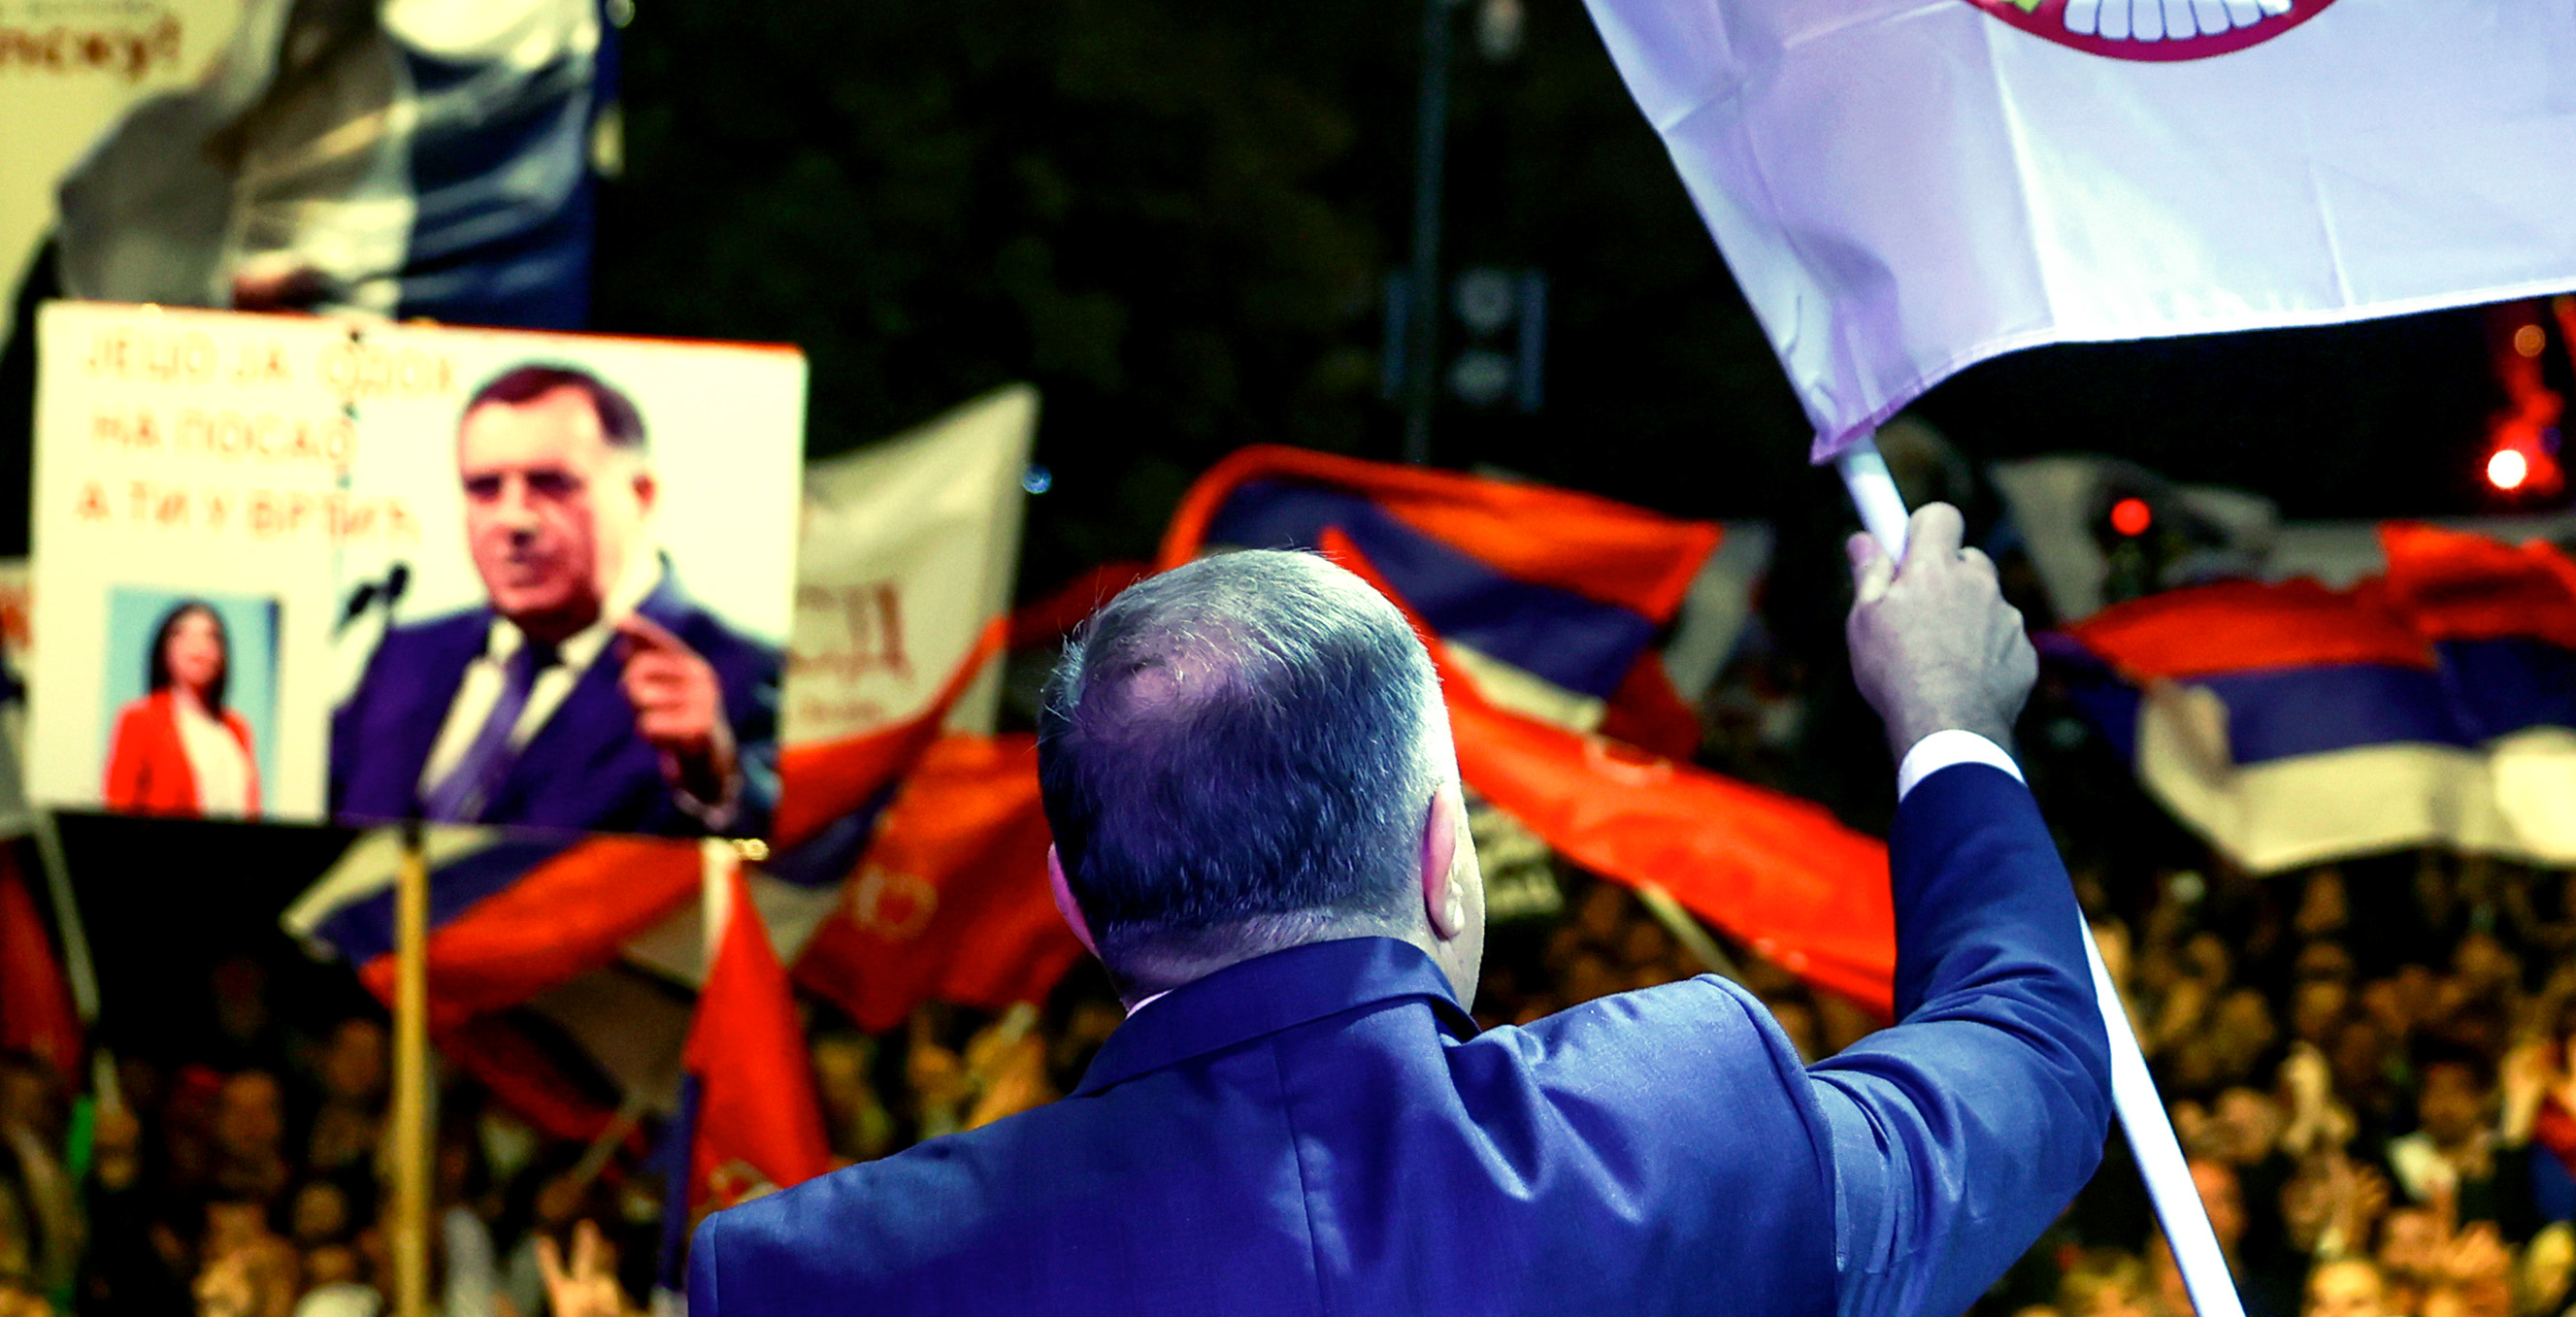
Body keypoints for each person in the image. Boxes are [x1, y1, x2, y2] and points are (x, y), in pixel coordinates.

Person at [688, 502, 2108, 1313]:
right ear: (1443, 854)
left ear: (1070, 899)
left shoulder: (809, 1282)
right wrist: (1945, 721)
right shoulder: (1687, 1131)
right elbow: (2027, 1049)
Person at [324, 365, 781, 838]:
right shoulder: (405, 656)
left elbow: (788, 868)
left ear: (641, 497)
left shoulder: (742, 678)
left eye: (551, 483)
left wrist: (718, 786)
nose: (514, 518)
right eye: (484, 488)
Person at [101, 602, 255, 817]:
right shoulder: (139, 719)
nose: (199, 646)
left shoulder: (236, 728)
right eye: (182, 634)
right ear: (165, 648)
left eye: (211, 636)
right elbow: (118, 806)